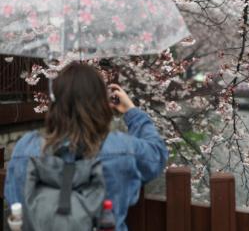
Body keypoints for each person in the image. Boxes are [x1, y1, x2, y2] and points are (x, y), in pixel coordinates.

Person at [4, 62, 168, 231]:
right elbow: (157, 153)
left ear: (54, 104)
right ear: (101, 104)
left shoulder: (25, 149)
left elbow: (15, 203)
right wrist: (132, 112)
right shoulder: (121, 148)